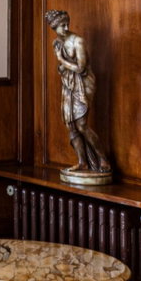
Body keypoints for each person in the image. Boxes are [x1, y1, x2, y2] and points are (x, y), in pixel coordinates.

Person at [44, 9, 112, 178]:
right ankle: (82, 162)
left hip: (84, 83)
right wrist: (62, 66)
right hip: (68, 84)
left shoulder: (78, 41)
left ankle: (104, 160)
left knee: (81, 124)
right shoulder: (56, 43)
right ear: (53, 27)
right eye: (61, 25)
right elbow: (64, 69)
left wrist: (61, 60)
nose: (66, 28)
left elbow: (81, 68)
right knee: (71, 126)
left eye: (67, 24)